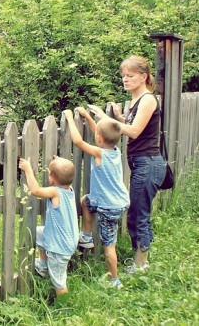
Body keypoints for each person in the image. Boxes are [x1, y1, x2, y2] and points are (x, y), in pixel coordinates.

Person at [88, 55, 165, 274]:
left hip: (148, 163)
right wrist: (121, 117)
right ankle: (140, 257)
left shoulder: (148, 99)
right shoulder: (135, 101)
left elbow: (134, 132)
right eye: (123, 76)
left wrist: (106, 119)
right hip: (141, 163)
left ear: (143, 77)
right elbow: (132, 125)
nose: (125, 79)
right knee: (137, 211)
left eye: (130, 76)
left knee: (139, 213)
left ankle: (141, 263)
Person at [63, 107, 130, 289]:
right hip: (119, 201)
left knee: (110, 246)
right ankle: (86, 236)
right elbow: (100, 133)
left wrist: (70, 117)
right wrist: (87, 117)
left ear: (99, 139)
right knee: (86, 201)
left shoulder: (100, 153)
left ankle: (114, 280)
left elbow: (78, 141)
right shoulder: (114, 150)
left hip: (109, 206)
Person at [18, 156, 78, 296]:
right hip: (66, 238)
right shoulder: (69, 189)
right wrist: (59, 163)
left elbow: (36, 190)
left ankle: (64, 307)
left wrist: (28, 169)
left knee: (59, 281)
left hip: (59, 247)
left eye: (50, 173)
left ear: (53, 179)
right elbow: (64, 172)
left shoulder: (55, 192)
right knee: (39, 232)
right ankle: (44, 265)